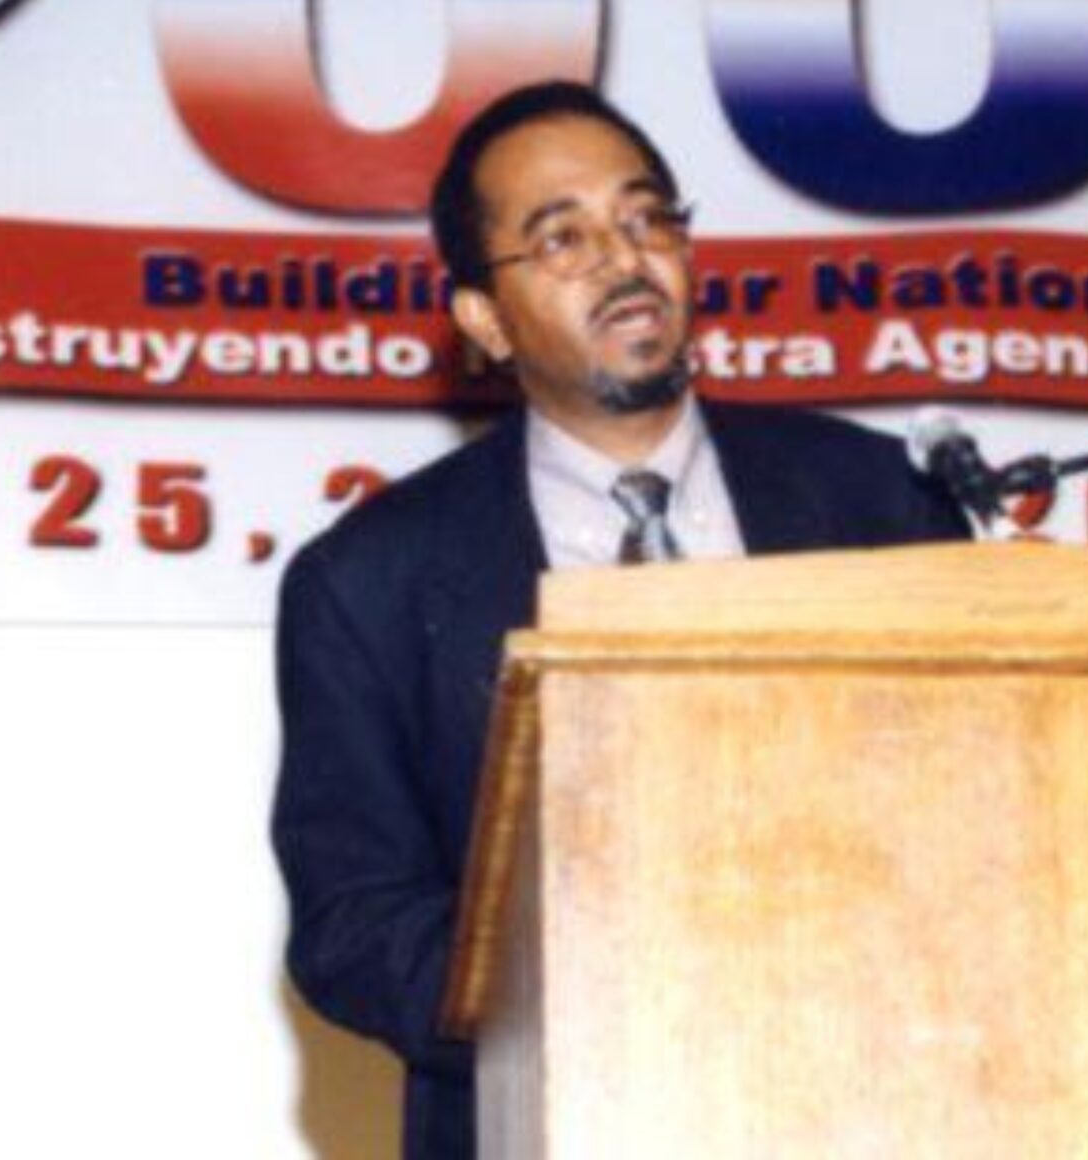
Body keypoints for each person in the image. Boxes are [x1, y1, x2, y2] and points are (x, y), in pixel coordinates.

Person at [271, 81, 971, 1160]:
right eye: (562, 236)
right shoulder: (367, 582)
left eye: (646, 218)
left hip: (870, 1103)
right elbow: (353, 923)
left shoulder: (884, 501)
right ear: (482, 319)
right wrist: (591, 986)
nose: (621, 255)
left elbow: (974, 824)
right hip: (551, 1117)